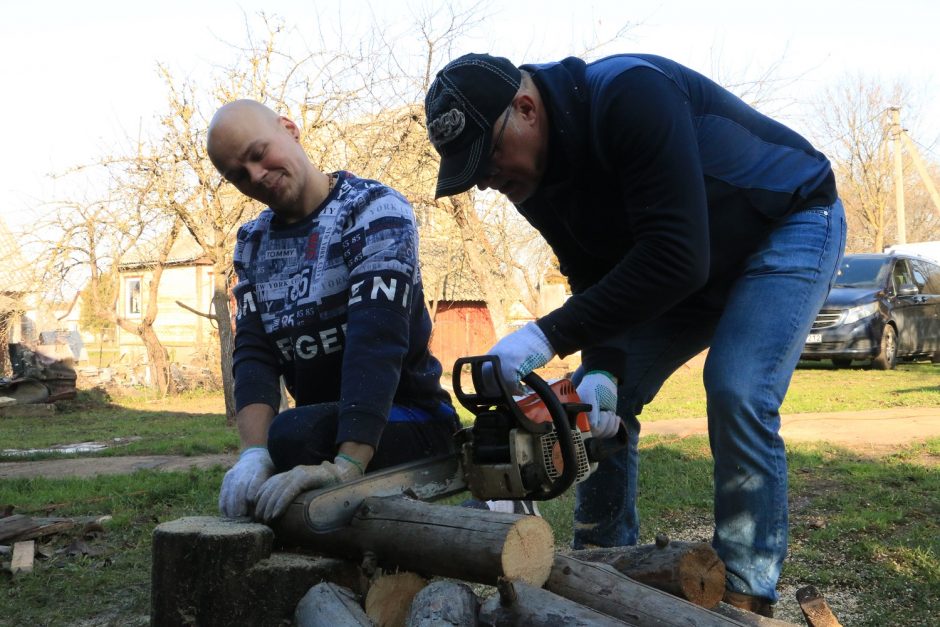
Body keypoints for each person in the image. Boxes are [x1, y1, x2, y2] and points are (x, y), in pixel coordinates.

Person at [424, 53, 846, 616]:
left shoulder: (629, 94)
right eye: (475, 173)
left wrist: (544, 336)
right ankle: (606, 565)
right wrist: (602, 370)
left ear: (525, 108)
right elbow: (592, 272)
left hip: (786, 221)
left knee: (738, 387)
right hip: (693, 261)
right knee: (588, 403)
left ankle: (745, 597)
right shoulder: (532, 179)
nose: (488, 180)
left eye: (490, 157)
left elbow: (675, 255)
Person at [207, 99, 460, 523]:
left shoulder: (373, 211)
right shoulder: (251, 242)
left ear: (289, 128)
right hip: (322, 423)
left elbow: (375, 343)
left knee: (291, 436)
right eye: (238, 175)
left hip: (412, 418)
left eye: (257, 154)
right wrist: (252, 454)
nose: (255, 176)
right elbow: (254, 353)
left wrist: (347, 466)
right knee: (286, 439)